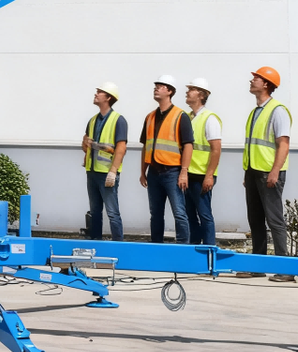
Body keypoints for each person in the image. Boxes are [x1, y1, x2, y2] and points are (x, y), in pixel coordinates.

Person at [239, 66, 293, 282]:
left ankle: (285, 269)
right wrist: (247, 172)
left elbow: (283, 144)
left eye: (257, 78)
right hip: (254, 172)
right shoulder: (256, 112)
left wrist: (275, 171)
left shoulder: (278, 111)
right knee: (255, 221)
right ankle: (258, 266)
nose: (252, 81)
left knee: (275, 221)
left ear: (267, 84)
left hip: (269, 173)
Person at [139, 73, 193, 243]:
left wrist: (184, 172)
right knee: (155, 213)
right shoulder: (150, 117)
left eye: (160, 86)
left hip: (172, 172)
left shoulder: (180, 116)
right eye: (156, 86)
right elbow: (146, 146)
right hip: (154, 172)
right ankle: (156, 245)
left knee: (179, 212)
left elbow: (188, 145)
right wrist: (143, 171)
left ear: (170, 91)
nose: (156, 89)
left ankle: (182, 247)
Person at [81, 82, 127, 240]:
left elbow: (121, 148)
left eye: (100, 92)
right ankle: (96, 242)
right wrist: (85, 143)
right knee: (95, 212)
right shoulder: (93, 120)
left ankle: (118, 245)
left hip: (107, 173)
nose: (96, 94)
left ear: (108, 98)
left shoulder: (118, 120)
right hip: (92, 172)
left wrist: (113, 172)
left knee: (112, 213)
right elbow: (85, 145)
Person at [184, 78, 221, 246]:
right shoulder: (188, 117)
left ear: (201, 94)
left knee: (204, 215)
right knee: (190, 215)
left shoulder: (209, 118)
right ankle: (194, 247)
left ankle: (209, 249)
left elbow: (216, 149)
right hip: (188, 174)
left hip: (201, 175)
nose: (187, 92)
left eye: (191, 89)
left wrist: (209, 175)